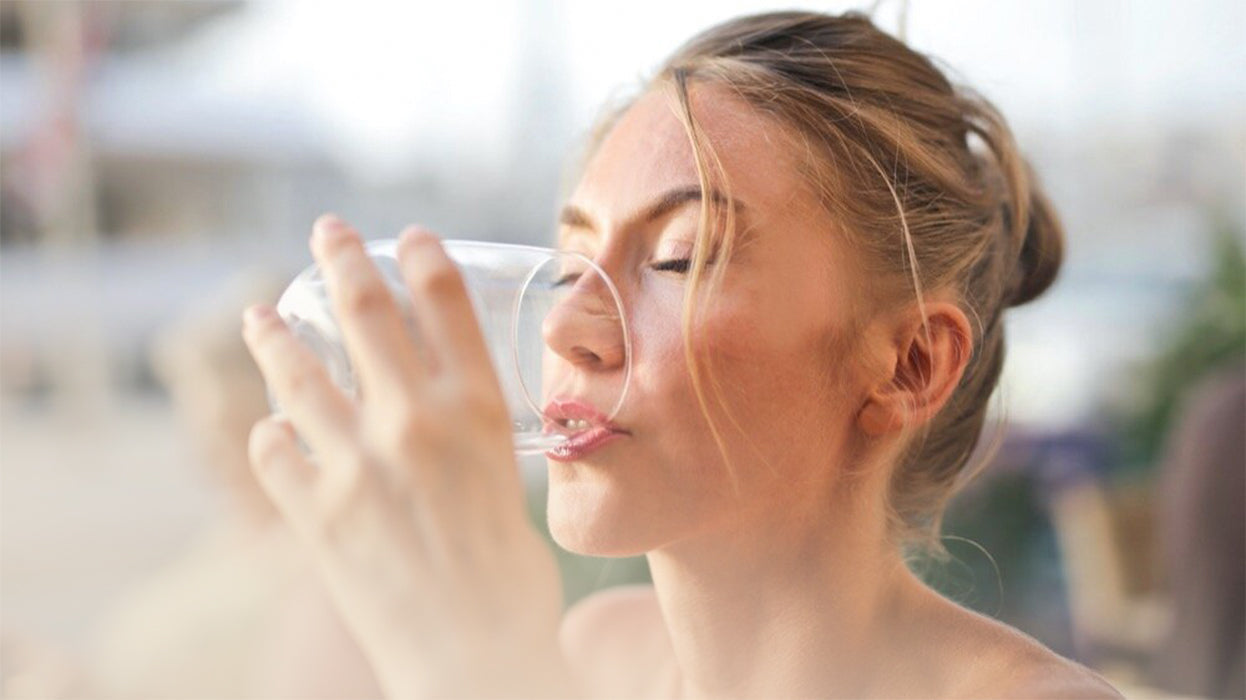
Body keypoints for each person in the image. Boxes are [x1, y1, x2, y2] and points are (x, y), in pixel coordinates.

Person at [241, 11, 1123, 699]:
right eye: (571, 261)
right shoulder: (597, 656)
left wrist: (475, 678)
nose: (563, 329)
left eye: (679, 256)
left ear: (910, 366)